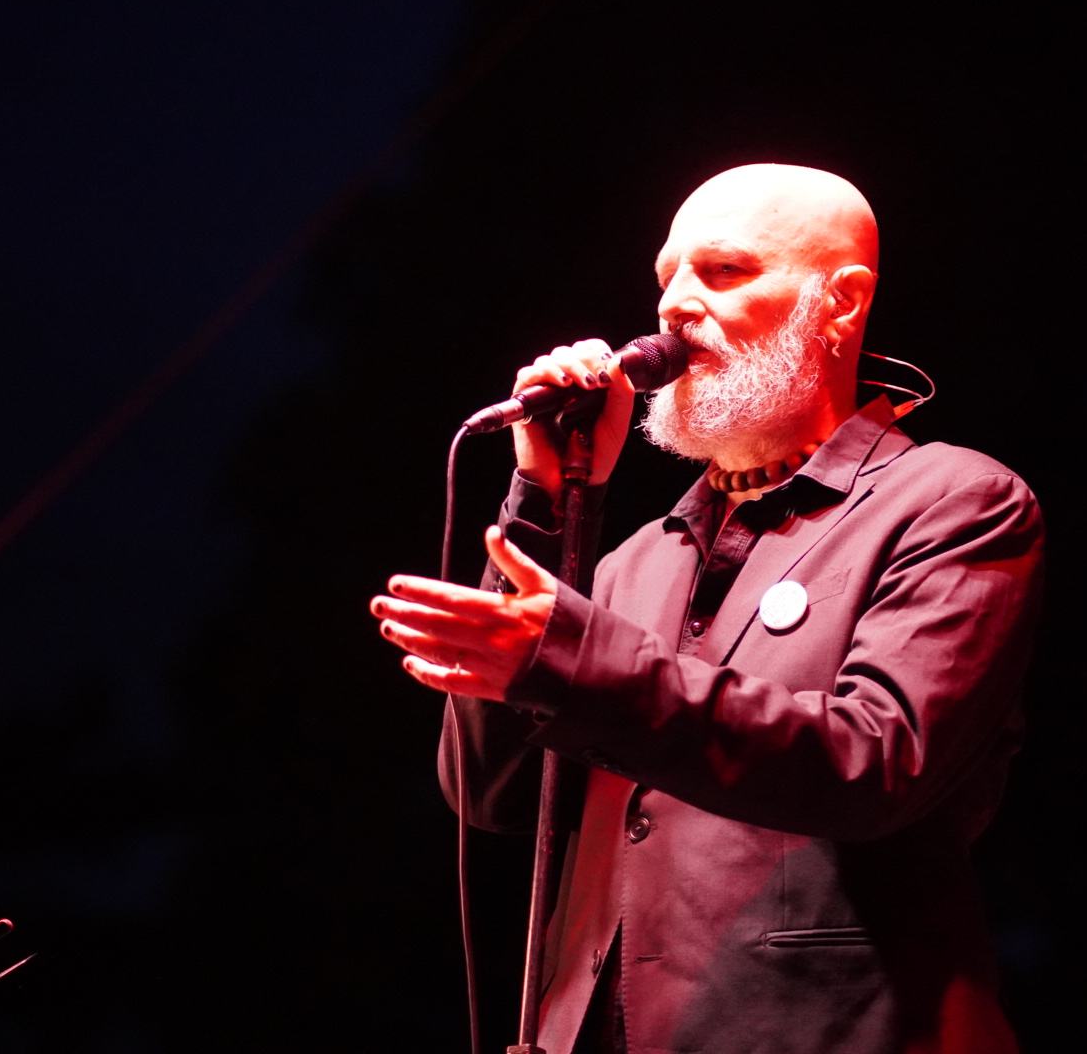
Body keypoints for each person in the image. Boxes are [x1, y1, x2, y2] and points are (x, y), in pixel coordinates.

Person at [370, 164, 1044, 1054]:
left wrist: (575, 652)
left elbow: (875, 762)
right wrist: (548, 501)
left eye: (724, 270)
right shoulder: (635, 561)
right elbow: (493, 795)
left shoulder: (953, 501)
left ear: (841, 303)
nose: (676, 304)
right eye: (667, 278)